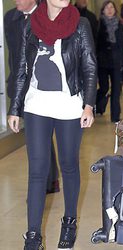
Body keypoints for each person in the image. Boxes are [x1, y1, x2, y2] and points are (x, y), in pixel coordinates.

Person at [7, 0, 97, 249]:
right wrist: (15, 108)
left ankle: (69, 221)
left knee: (68, 165)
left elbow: (89, 65)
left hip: (69, 105)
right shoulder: (30, 25)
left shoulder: (80, 24)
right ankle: (33, 236)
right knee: (37, 171)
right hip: (36, 104)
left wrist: (88, 104)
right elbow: (21, 68)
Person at [4, 0, 60, 194]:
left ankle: (48, 180)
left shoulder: (48, 15)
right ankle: (47, 180)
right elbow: (13, 55)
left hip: (43, 85)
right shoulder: (10, 18)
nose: (16, 0)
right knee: (36, 137)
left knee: (42, 135)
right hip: (21, 86)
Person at [95, 0, 123, 122]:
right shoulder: (99, 24)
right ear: (103, 10)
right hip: (102, 61)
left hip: (116, 61)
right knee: (104, 88)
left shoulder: (120, 24)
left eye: (111, 7)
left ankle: (115, 116)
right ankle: (91, 105)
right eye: (107, 8)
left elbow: (122, 44)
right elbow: (95, 43)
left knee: (116, 89)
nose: (109, 9)